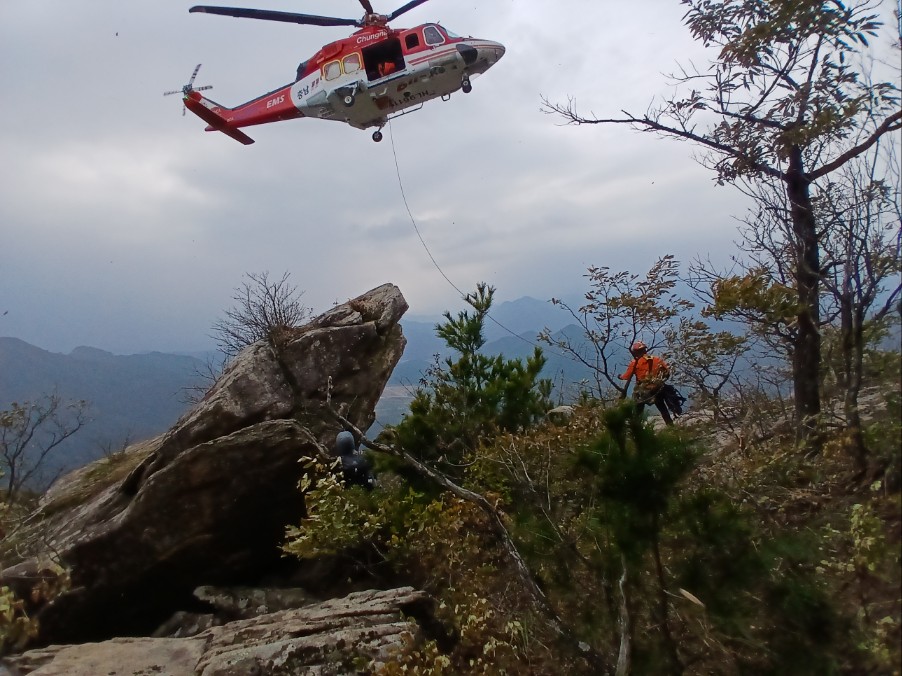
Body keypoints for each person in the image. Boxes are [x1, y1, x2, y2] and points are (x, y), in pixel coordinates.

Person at [619, 341, 674, 426]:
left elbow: (626, 376)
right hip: (657, 389)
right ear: (645, 349)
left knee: (638, 411)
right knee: (663, 409)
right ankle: (671, 427)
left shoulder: (635, 363)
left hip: (642, 390)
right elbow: (667, 372)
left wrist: (619, 376)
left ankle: (636, 429)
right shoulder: (657, 359)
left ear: (635, 352)